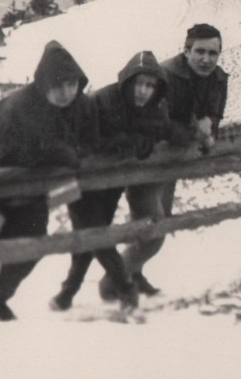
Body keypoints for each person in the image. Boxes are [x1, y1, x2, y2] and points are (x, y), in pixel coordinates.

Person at [0, 40, 98, 321]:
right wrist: (59, 153)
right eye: (58, 85)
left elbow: (89, 141)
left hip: (35, 189)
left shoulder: (80, 106)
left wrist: (71, 155)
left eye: (72, 84)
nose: (66, 93)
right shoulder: (17, 107)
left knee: (32, 246)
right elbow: (7, 153)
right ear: (43, 84)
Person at [99, 24, 229, 299]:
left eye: (213, 53)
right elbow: (157, 123)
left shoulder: (217, 77)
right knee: (154, 230)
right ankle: (113, 284)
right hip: (148, 158)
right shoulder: (165, 76)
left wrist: (208, 124)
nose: (207, 59)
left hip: (171, 158)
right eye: (200, 51)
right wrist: (196, 129)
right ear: (186, 50)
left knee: (159, 221)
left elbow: (214, 113)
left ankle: (133, 273)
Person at [50, 50, 184, 311]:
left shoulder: (153, 109)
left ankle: (68, 293)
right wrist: (126, 142)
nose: (143, 91)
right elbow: (79, 138)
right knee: (95, 237)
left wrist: (194, 136)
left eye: (150, 85)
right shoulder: (102, 100)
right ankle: (121, 289)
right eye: (138, 83)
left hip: (110, 187)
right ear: (128, 80)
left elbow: (165, 130)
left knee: (91, 238)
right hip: (81, 181)